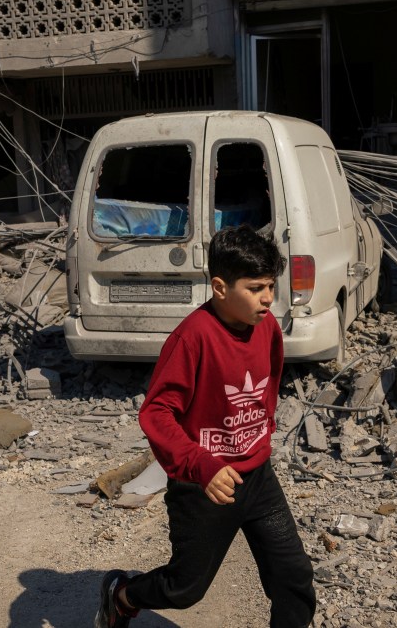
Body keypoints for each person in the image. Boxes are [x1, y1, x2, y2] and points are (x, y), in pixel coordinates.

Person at [95, 225, 316, 628]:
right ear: (219, 287)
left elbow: (269, 382)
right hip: (203, 486)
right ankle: (122, 596)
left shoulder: (267, 326)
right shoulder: (192, 338)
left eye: (271, 286)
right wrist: (201, 465)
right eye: (255, 288)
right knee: (184, 588)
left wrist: (260, 432)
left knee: (294, 576)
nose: (268, 298)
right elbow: (156, 413)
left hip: (257, 476)